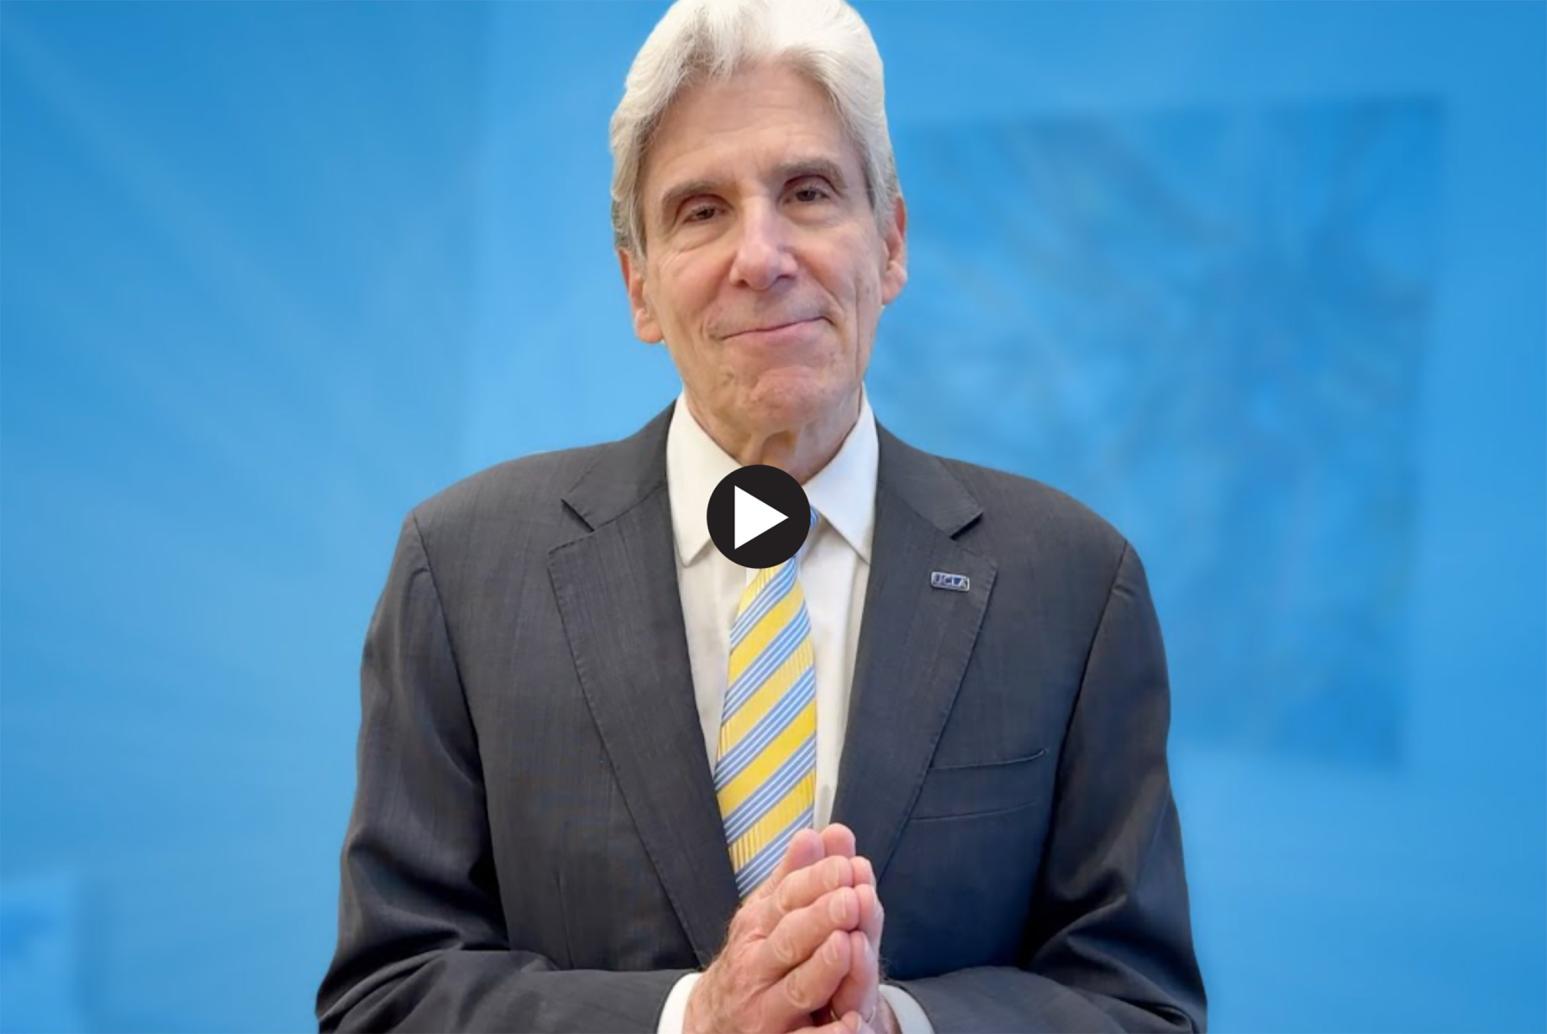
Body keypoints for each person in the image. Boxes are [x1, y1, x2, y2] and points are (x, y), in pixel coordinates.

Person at [316, 0, 1207, 1030]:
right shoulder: (462, 573)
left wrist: (898, 1026)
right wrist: (693, 1019)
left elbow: (1138, 1004)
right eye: (700, 209)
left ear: (891, 240)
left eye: (809, 191)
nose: (762, 255)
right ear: (638, 286)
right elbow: (386, 996)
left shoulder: (1072, 584)